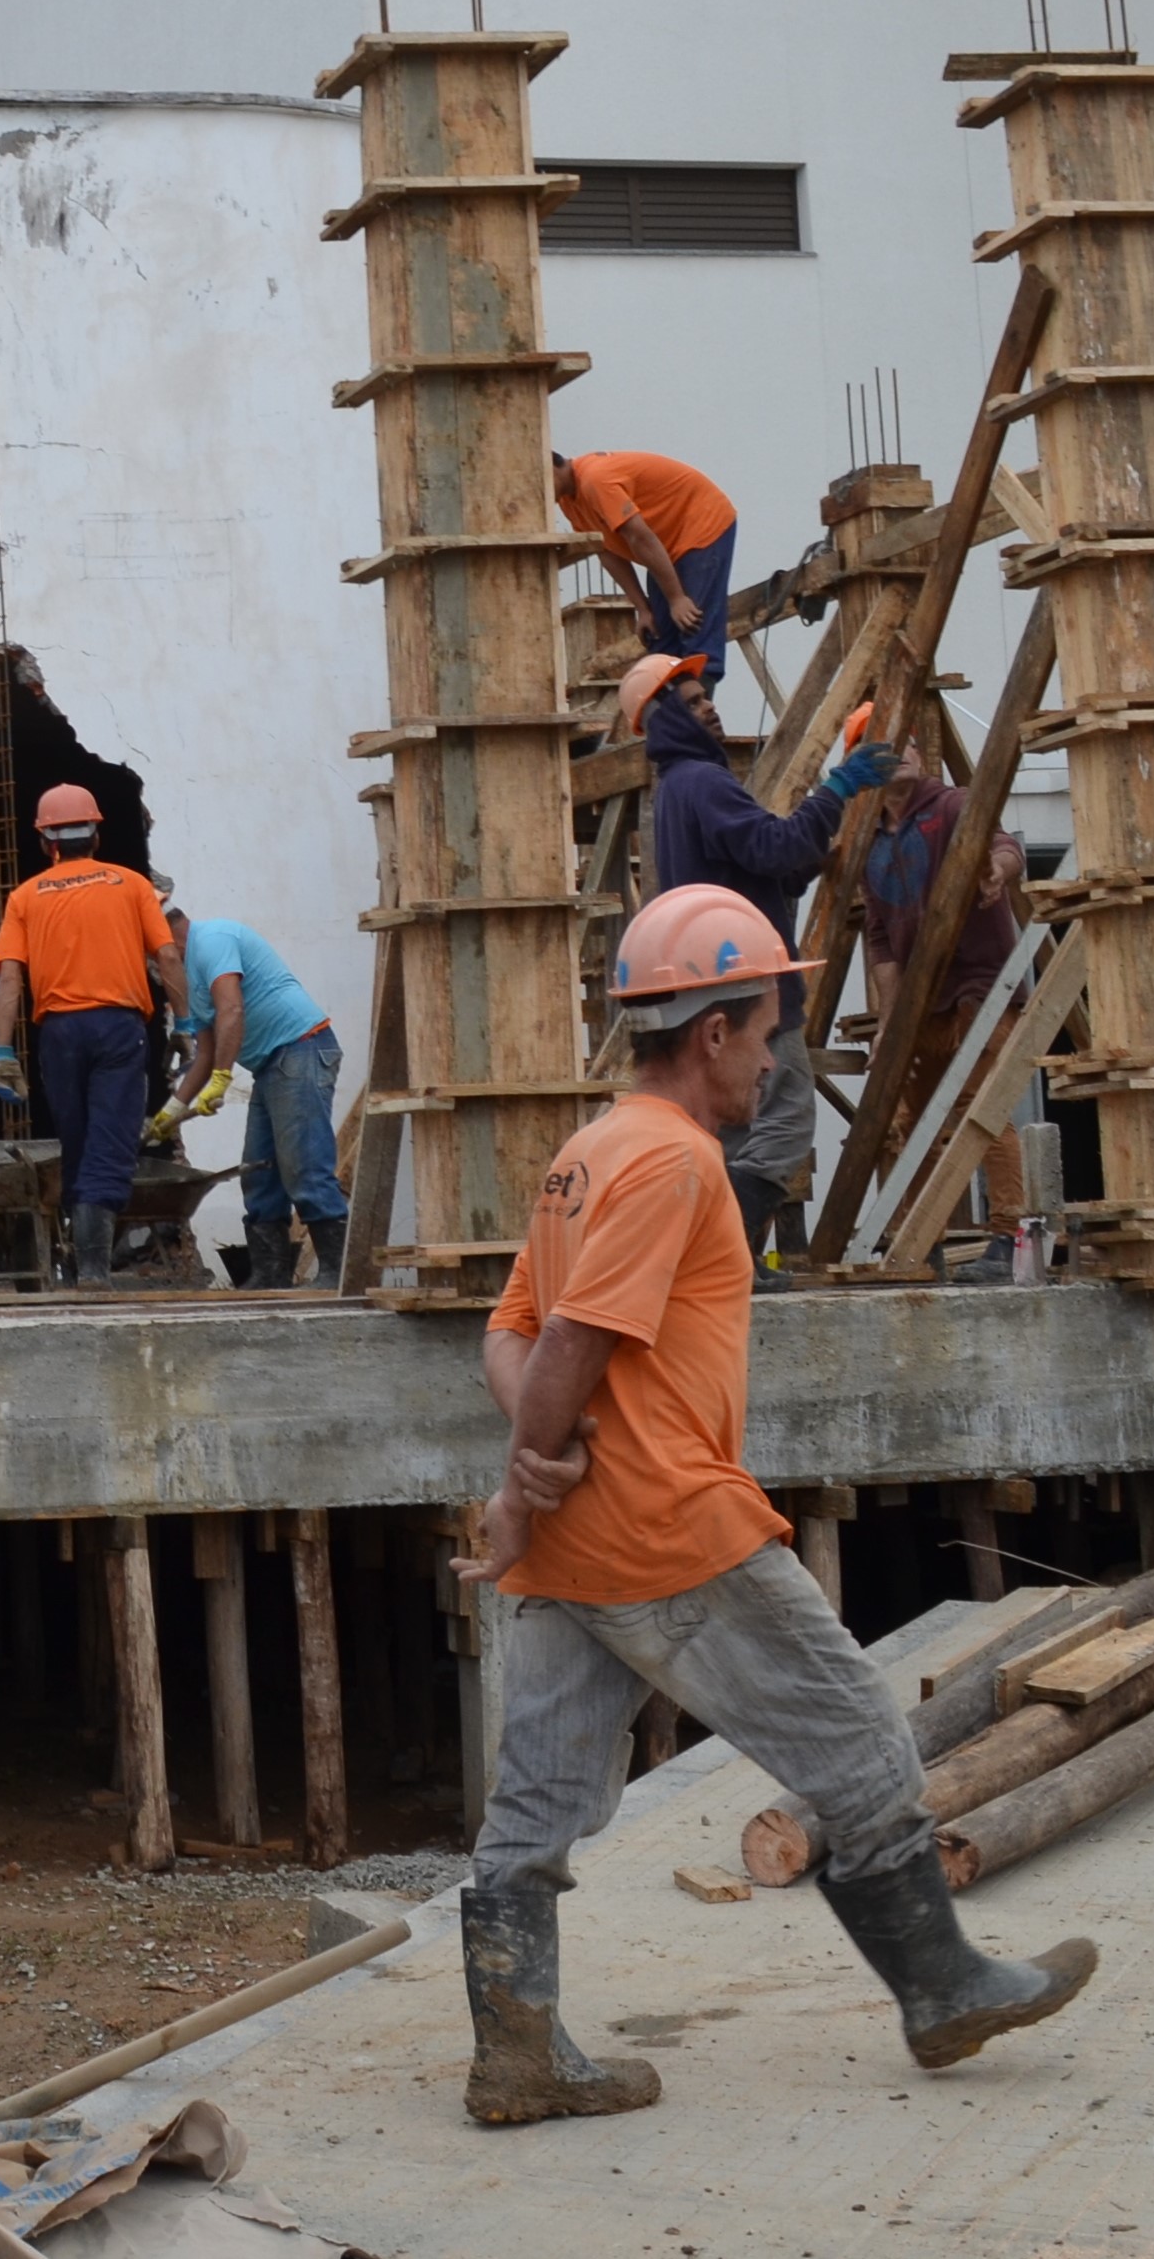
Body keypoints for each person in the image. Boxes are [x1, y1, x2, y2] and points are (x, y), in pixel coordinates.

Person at [449, 885, 1099, 2124]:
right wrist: (527, 1480)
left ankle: (516, 2053)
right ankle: (941, 1989)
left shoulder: (584, 1155)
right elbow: (573, 1336)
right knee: (857, 1739)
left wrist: (534, 1471)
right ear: (709, 1032)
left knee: (533, 1800)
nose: (765, 1060)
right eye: (760, 1035)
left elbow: (509, 1330)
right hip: (666, 1522)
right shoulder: (674, 1159)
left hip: (584, 1547)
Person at [624, 652, 894, 1276]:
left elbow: (755, 862)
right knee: (788, 1121)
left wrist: (805, 860)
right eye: (692, 703)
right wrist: (837, 789)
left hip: (718, 981)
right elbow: (774, 846)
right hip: (747, 984)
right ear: (667, 721)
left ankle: (721, 1258)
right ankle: (725, 1253)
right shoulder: (703, 781)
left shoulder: (678, 790)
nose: (709, 707)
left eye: (705, 697)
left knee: (736, 1132)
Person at [0, 781, 182, 1285]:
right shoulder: (132, 884)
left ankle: (83, 1262)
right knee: (110, 1143)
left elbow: (11, 976)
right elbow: (166, 957)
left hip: (59, 1034)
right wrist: (186, 1023)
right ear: (95, 835)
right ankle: (94, 1269)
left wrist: (3, 1051)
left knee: (77, 1142)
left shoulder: (26, 896)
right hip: (118, 1028)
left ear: (46, 841)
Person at [150, 881, 343, 1286]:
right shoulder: (190, 973)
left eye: (153, 949)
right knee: (260, 1174)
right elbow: (204, 1052)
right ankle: (270, 1275)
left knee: (304, 1165)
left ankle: (338, 1272)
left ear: (167, 932)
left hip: (301, 1048)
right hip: (272, 1064)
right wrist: (170, 1113)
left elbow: (232, 1008)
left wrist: (222, 1080)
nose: (155, 961)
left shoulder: (214, 939)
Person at [854, 750, 1015, 1048]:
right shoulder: (868, 844)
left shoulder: (953, 804)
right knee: (926, 1096)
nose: (897, 751)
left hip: (982, 992)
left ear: (920, 758)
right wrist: (887, 1023)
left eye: (906, 743)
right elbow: (881, 941)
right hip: (921, 1008)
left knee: (974, 1096)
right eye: (880, 746)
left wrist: (996, 868)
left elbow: (1005, 844)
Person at [557, 449, 739, 656]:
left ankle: (699, 680)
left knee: (693, 624)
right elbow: (607, 551)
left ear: (552, 469)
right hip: (663, 547)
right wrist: (643, 609)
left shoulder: (596, 480)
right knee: (660, 635)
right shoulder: (568, 501)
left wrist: (676, 598)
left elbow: (639, 537)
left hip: (701, 524)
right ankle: (669, 684)